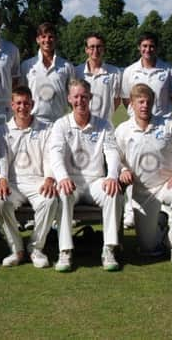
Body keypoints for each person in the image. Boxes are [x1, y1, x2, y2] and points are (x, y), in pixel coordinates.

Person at [115, 84, 172, 264]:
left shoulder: (168, 124)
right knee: (148, 249)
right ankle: (162, 223)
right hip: (142, 194)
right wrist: (123, 170)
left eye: (148, 102)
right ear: (132, 104)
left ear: (153, 103)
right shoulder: (123, 129)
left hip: (167, 185)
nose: (145, 105)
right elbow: (115, 157)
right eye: (140, 102)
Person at [49, 79, 124, 272]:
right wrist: (63, 177)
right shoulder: (61, 125)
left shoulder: (104, 125)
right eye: (76, 96)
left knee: (113, 192)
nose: (80, 101)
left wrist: (112, 177)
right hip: (71, 182)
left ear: (90, 98)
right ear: (69, 99)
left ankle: (109, 249)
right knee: (63, 193)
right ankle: (65, 251)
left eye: (84, 96)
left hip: (96, 182)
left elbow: (113, 153)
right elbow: (55, 154)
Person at [0, 86, 58, 268]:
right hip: (13, 183)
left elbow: (49, 156)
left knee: (50, 200)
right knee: (0, 201)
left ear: (33, 104)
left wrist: (49, 178)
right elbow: (2, 158)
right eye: (19, 103)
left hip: (38, 182)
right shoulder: (2, 131)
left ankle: (35, 248)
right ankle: (16, 249)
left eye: (26, 103)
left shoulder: (47, 129)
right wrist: (3, 179)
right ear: (12, 105)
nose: (23, 107)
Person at [120, 32, 172, 229]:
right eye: (144, 46)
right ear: (139, 47)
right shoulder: (129, 71)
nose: (147, 50)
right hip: (136, 127)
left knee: (161, 169)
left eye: (151, 46)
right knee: (132, 169)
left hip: (161, 126)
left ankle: (165, 209)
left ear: (156, 48)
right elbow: (127, 100)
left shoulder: (169, 70)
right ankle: (130, 212)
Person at [20, 23, 76, 124]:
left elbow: (73, 96)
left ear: (56, 39)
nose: (47, 40)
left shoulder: (67, 66)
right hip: (33, 120)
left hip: (59, 121)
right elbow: (21, 95)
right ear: (38, 39)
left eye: (51, 37)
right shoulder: (27, 65)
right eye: (43, 36)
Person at [75, 32, 122, 124]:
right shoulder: (77, 72)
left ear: (103, 49)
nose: (95, 50)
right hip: (81, 126)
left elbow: (116, 100)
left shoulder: (115, 73)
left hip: (104, 127)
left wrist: (106, 115)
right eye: (92, 47)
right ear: (86, 49)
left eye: (99, 46)